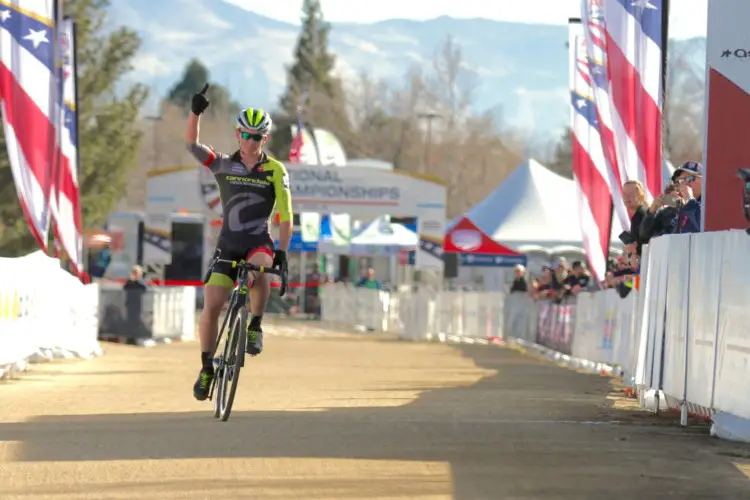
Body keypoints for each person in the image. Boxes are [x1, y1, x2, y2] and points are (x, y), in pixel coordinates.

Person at [186, 84, 293, 401]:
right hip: (228, 244)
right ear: (237, 134)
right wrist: (195, 112)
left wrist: (283, 254)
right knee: (211, 308)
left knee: (260, 269)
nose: (250, 141)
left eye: (257, 136)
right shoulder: (223, 164)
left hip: (258, 241)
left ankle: (254, 325)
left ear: (265, 139)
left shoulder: (275, 170)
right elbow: (192, 145)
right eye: (245, 135)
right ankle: (207, 368)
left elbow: (285, 217)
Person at [674, 161, 703, 233]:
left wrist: (690, 199)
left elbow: (703, 225)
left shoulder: (708, 202)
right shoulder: (681, 206)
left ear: (703, 180)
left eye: (690, 179)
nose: (684, 184)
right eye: (681, 180)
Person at [622, 180, 649, 256]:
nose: (627, 197)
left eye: (631, 194)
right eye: (624, 194)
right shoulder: (639, 214)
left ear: (640, 196)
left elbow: (643, 245)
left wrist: (631, 247)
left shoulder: (641, 215)